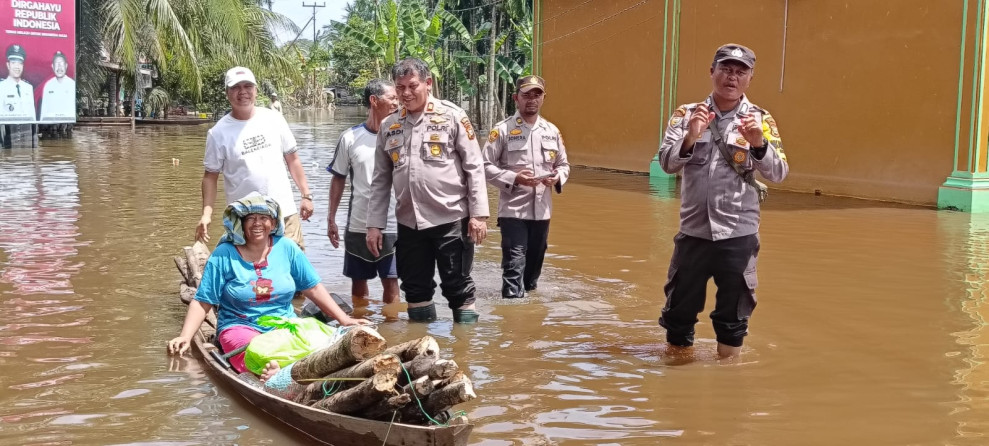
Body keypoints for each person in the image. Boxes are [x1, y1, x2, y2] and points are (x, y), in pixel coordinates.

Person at [656, 43, 788, 359]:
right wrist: (690, 136)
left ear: (750, 78)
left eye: (740, 71)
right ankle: (676, 382)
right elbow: (666, 164)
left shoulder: (761, 119)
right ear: (712, 71)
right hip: (694, 234)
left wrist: (759, 144)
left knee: (734, 318)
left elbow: (779, 173)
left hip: (738, 236)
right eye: (726, 69)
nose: (732, 77)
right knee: (678, 316)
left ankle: (729, 383)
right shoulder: (686, 114)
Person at [168, 193, 370, 380]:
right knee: (259, 353)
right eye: (251, 218)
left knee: (330, 342)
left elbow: (313, 288)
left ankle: (288, 370)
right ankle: (278, 375)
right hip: (240, 326)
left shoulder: (287, 247)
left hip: (285, 323)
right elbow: (203, 301)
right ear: (241, 223)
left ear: (273, 223)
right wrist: (185, 336)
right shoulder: (224, 254)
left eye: (263, 218)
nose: (257, 224)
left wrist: (344, 320)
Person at [366, 58, 489, 324]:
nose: (406, 94)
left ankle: (466, 353)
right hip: (409, 222)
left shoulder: (452, 116)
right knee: (415, 288)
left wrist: (478, 215)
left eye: (412, 86)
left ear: (428, 83)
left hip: (451, 218)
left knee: (458, 285)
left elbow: (474, 167)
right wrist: (374, 225)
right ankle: (421, 351)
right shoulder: (389, 126)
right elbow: (380, 180)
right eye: (400, 88)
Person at [196, 67, 315, 250]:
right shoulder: (218, 133)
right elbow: (210, 177)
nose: (243, 92)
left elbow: (293, 160)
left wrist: (306, 195)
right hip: (245, 218)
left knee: (293, 272)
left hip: (284, 213)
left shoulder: (274, 119)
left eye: (247, 86)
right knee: (252, 275)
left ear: (256, 90)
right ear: (227, 93)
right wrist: (206, 214)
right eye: (236, 87)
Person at [483, 75, 570, 299]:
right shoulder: (501, 130)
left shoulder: (552, 131)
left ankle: (530, 320)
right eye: (526, 95)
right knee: (514, 263)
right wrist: (513, 178)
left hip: (542, 211)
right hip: (513, 211)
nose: (532, 99)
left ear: (543, 98)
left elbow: (563, 164)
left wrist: (557, 177)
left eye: (537, 95)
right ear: (516, 98)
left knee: (533, 270)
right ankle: (511, 318)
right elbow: (483, 166)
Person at [327, 79, 401, 306]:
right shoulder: (350, 138)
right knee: (358, 281)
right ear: (374, 100)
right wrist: (331, 218)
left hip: (394, 223)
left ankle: (393, 328)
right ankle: (361, 325)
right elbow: (338, 178)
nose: (397, 103)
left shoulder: (402, 135)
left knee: (391, 279)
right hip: (358, 223)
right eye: (393, 98)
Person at [0, 44, 36, 122]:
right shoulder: (1, 87)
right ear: (8, 65)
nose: (17, 67)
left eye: (20, 63)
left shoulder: (28, 88)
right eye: (13, 63)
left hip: (27, 132)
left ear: (23, 66)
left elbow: (32, 117)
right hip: (8, 132)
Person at [38, 51, 76, 121]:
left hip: (67, 123)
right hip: (51, 124)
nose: (59, 68)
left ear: (66, 66)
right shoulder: (48, 85)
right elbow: (44, 110)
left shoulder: (72, 85)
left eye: (61, 64)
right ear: (52, 66)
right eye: (57, 65)